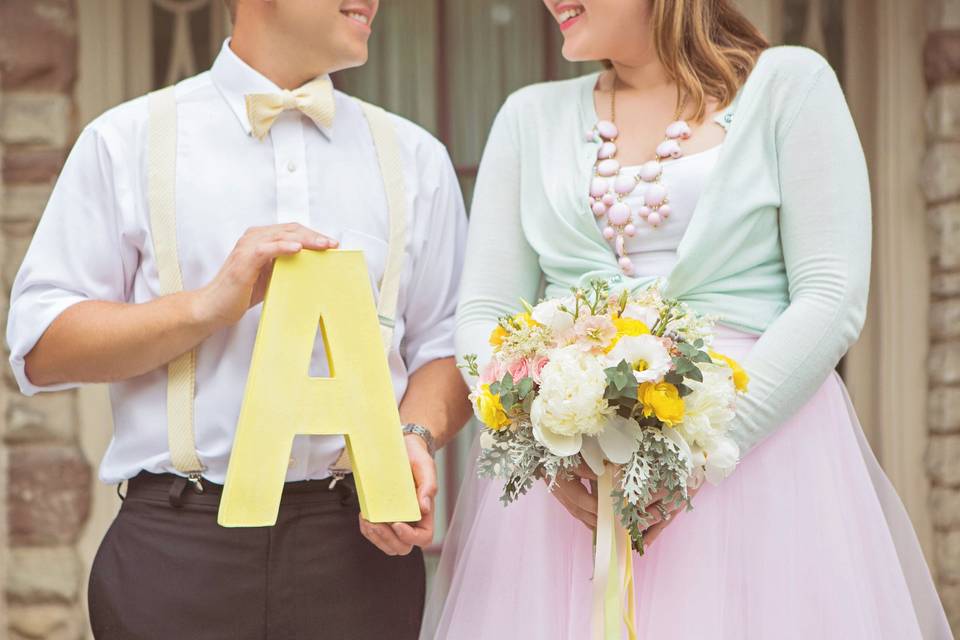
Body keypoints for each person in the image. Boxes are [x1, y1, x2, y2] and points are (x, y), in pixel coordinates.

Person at [422, 1, 952, 638]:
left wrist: (692, 459)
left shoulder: (788, 85)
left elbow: (831, 296)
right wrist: (542, 447)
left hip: (756, 461)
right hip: (570, 488)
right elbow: (484, 313)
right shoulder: (526, 116)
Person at [5, 1, 471, 638]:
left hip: (360, 549)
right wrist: (204, 307)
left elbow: (447, 344)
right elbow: (40, 345)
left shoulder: (416, 157)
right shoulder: (127, 140)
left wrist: (414, 433)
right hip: (175, 551)